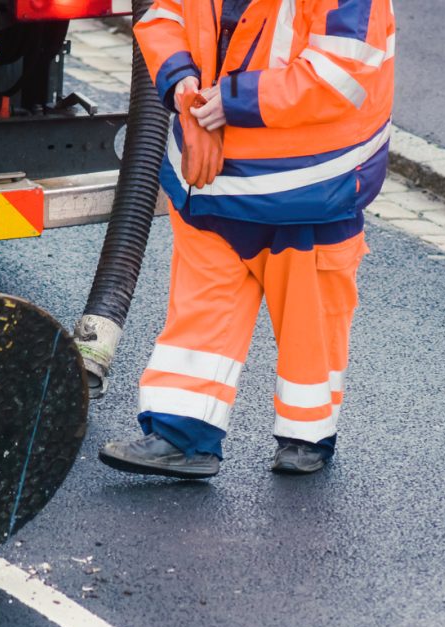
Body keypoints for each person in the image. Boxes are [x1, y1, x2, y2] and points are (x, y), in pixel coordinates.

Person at [98, 0, 396, 478]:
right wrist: (180, 79)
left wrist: (232, 101)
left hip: (305, 191)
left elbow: (342, 74)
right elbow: (163, 16)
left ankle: (306, 436)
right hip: (213, 180)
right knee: (201, 315)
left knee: (309, 324)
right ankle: (182, 435)